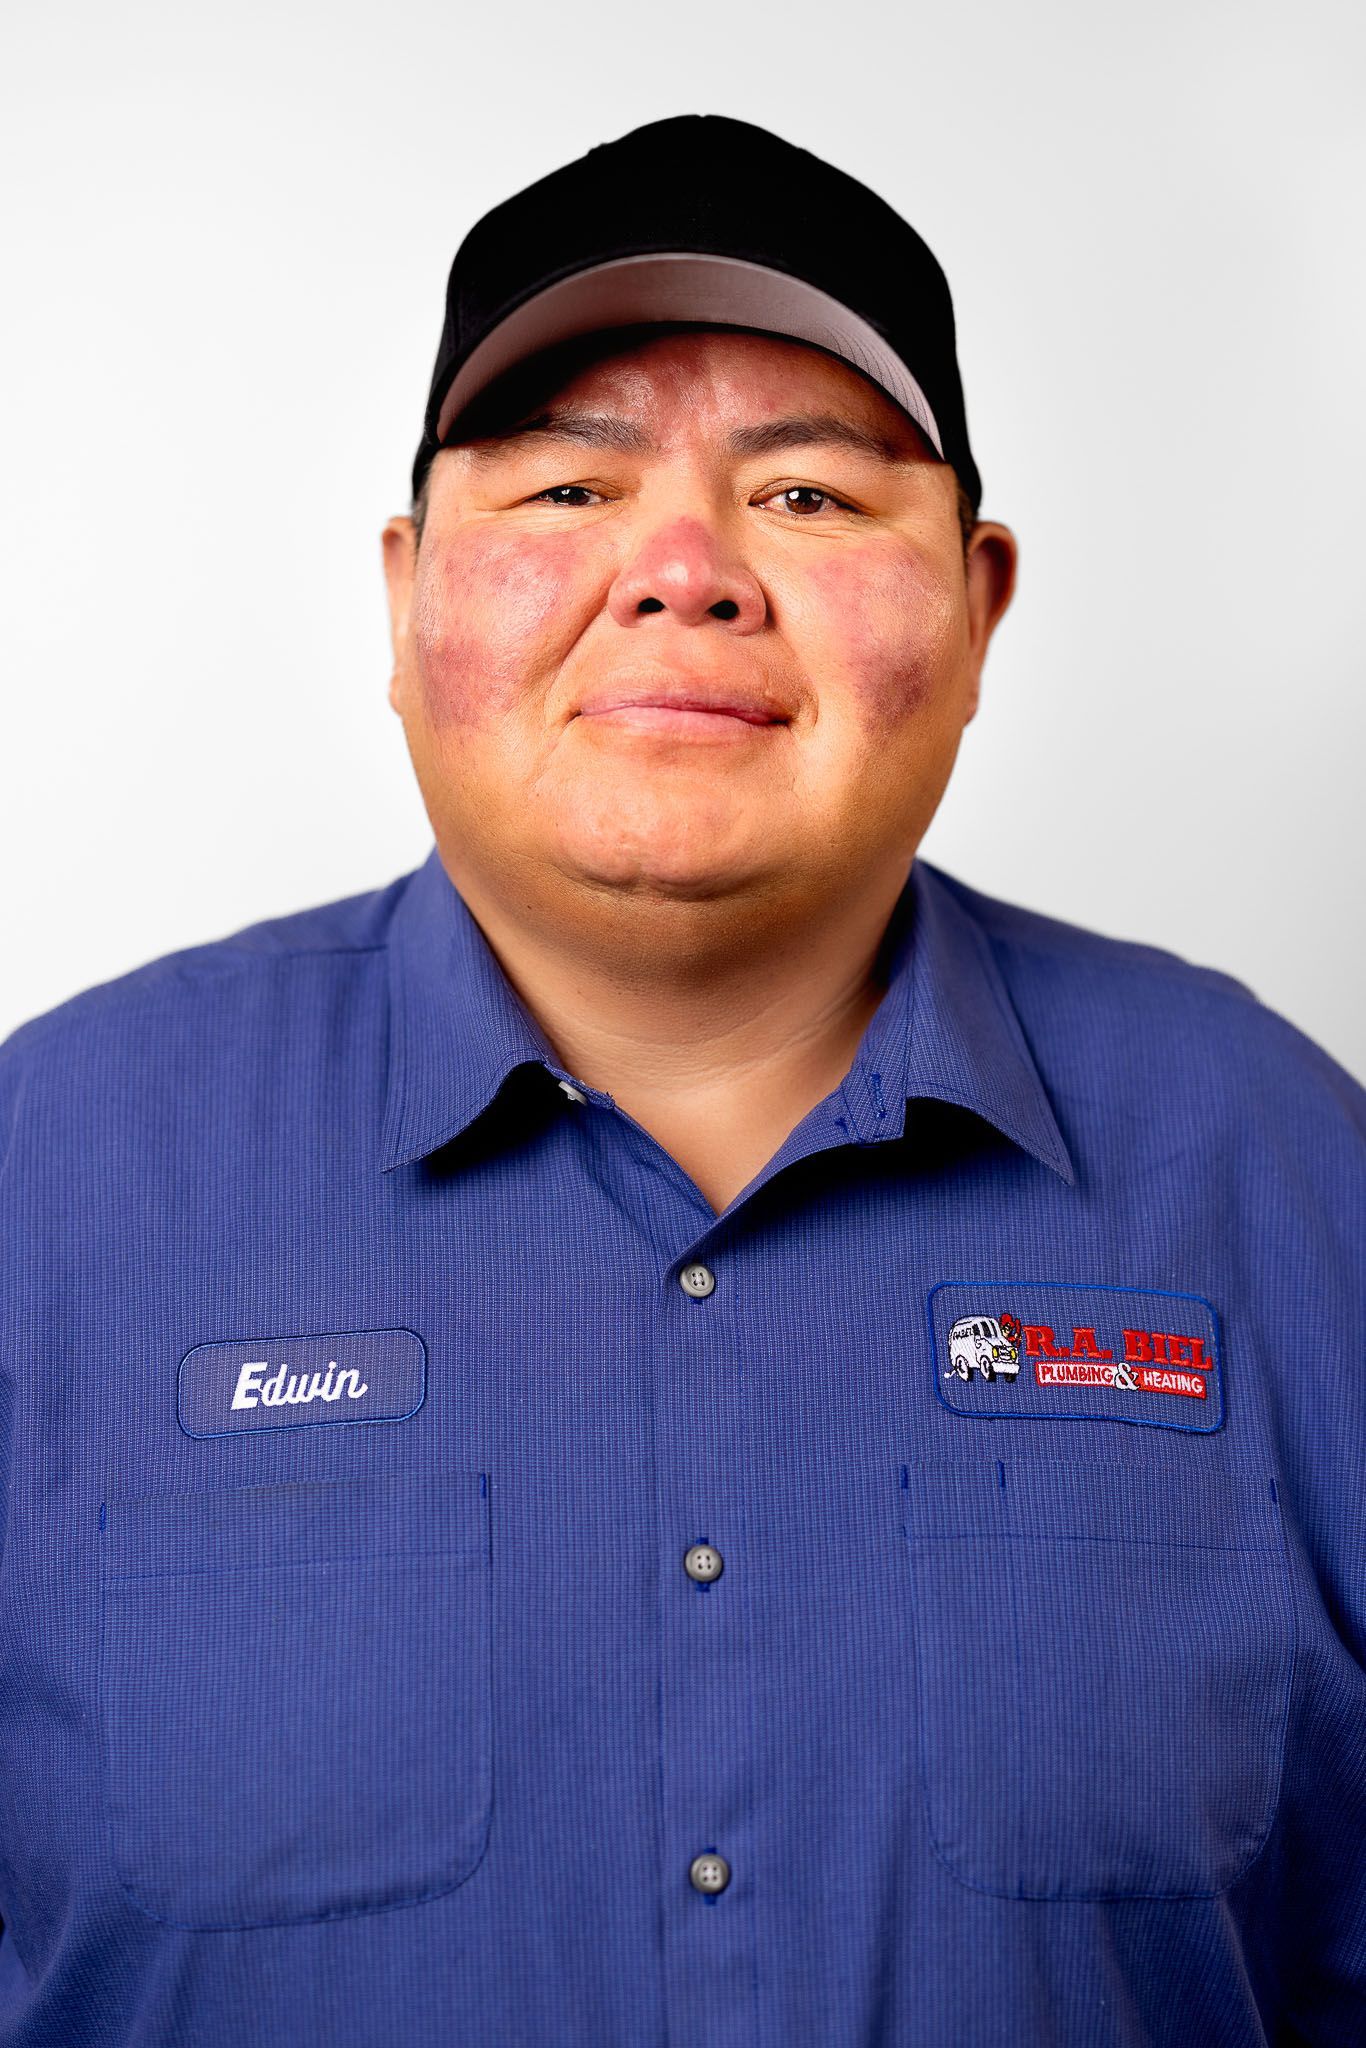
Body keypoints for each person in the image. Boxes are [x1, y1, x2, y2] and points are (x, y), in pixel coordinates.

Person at [0, 112, 1361, 2048]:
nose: (681, 571)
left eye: (806, 497)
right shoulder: (48, 1170)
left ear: (975, 608)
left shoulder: (1283, 1169)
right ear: (404, 597)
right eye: (564, 486)